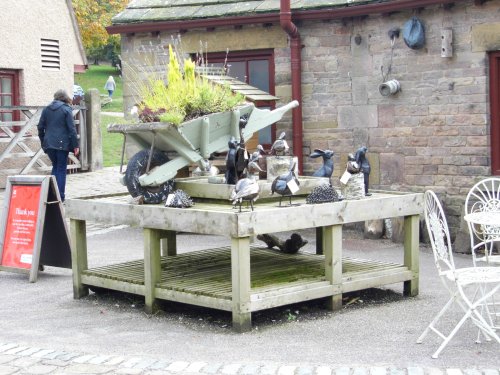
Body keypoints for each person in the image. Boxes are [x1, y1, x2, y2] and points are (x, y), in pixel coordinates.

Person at [37, 89, 80, 202]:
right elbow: (71, 129)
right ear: (65, 98)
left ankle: (51, 195)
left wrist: (43, 142)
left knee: (55, 167)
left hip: (49, 144)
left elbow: (40, 127)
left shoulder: (46, 109)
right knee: (61, 169)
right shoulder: (66, 109)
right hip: (62, 144)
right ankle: (60, 197)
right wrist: (76, 145)